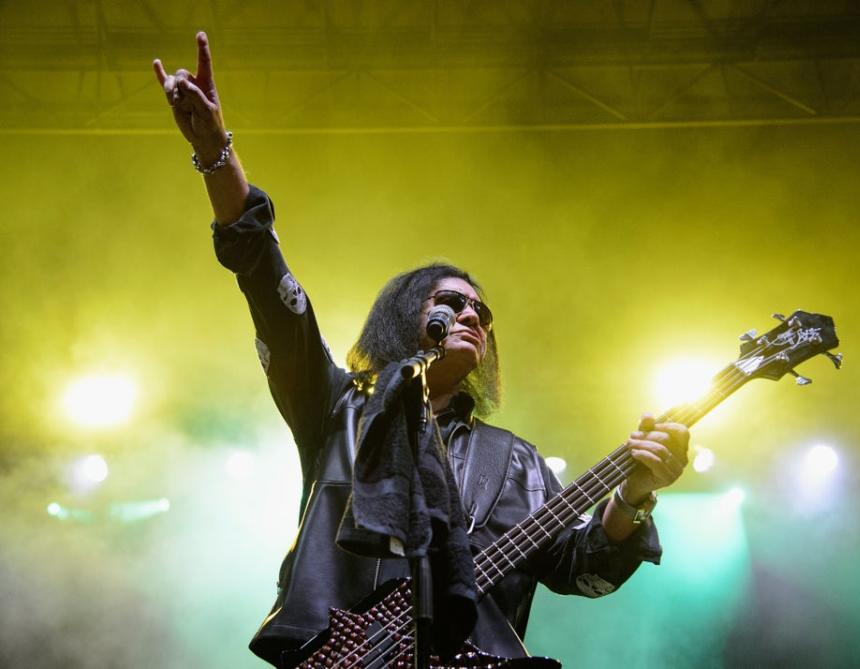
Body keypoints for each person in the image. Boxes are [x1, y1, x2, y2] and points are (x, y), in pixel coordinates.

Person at [153, 32, 691, 669]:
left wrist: (632, 497)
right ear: (408, 319)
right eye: (452, 302)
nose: (472, 315)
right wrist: (218, 156)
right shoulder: (336, 408)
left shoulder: (514, 461)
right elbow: (269, 289)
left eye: (481, 311)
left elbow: (583, 572)